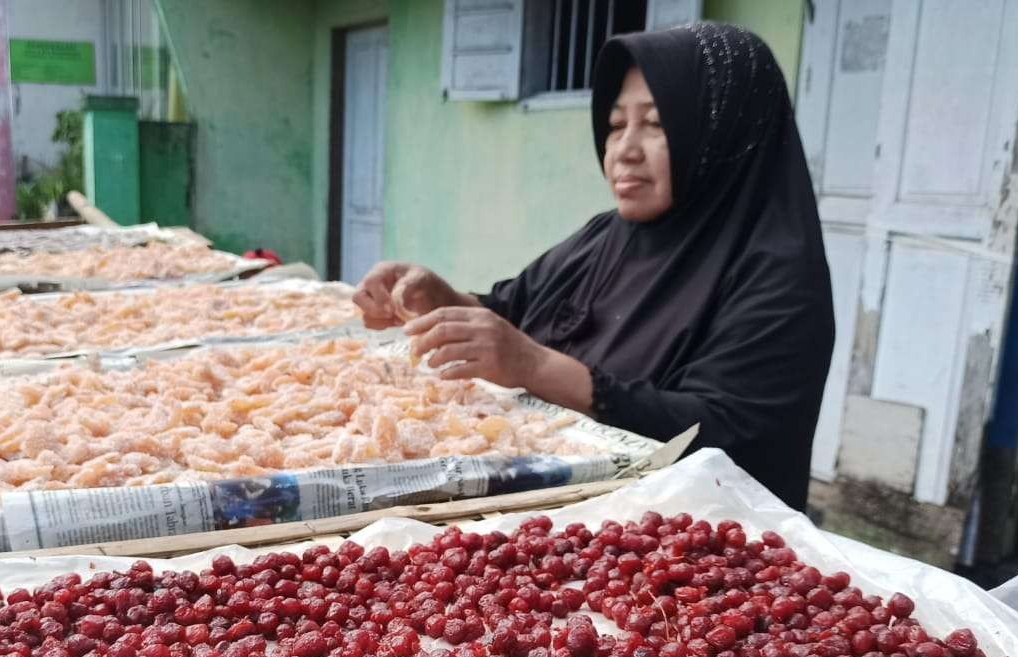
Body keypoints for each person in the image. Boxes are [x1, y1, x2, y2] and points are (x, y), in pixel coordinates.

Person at [354, 23, 834, 510]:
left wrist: (537, 366)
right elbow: (512, 312)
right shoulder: (606, 236)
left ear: (722, 132)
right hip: (556, 529)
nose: (624, 150)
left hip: (683, 553)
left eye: (656, 124)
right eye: (615, 124)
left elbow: (723, 434)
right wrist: (439, 299)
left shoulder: (775, 274)